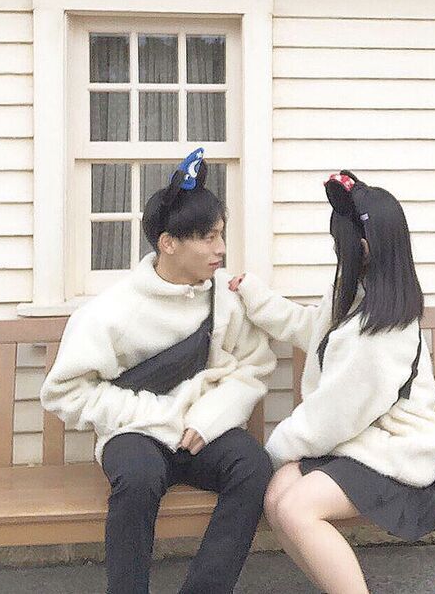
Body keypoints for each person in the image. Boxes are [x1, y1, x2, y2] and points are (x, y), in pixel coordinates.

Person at [40, 149, 275, 594]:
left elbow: (252, 366)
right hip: (135, 433)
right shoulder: (110, 312)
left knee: (253, 465)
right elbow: (64, 393)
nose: (221, 249)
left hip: (202, 431)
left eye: (221, 235)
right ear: (168, 243)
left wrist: (210, 417)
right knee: (138, 478)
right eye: (207, 237)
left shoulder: (225, 299)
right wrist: (162, 417)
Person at [230, 171, 435, 594]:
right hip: (357, 442)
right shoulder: (354, 295)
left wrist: (272, 452)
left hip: (394, 451)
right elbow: (309, 328)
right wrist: (255, 296)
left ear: (364, 249)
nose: (337, 249)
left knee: (296, 508)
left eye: (340, 242)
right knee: (277, 496)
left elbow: (334, 414)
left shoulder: (384, 332)